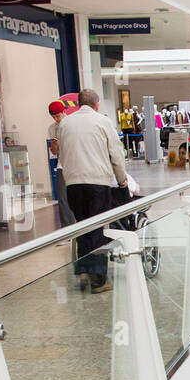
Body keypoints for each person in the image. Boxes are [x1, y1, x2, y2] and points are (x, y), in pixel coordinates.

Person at [56, 89, 128, 294]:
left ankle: (84, 271)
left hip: (73, 185)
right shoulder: (102, 121)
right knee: (97, 228)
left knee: (82, 227)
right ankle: (99, 280)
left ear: (79, 104)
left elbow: (63, 152)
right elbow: (116, 154)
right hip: (97, 183)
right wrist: (122, 180)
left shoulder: (65, 123)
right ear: (96, 104)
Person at [46, 100, 76, 227]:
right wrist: (54, 146)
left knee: (78, 195)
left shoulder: (74, 123)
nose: (57, 119)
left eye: (58, 116)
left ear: (64, 112)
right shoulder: (52, 128)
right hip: (62, 165)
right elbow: (53, 152)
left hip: (76, 164)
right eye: (54, 117)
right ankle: (67, 229)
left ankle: (81, 225)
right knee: (63, 198)